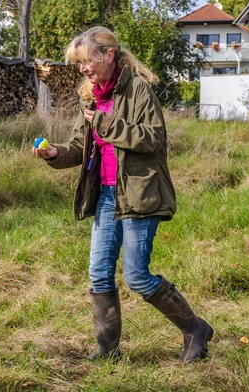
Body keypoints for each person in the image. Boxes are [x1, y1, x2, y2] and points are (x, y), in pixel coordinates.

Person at [32, 26, 213, 363]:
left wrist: (104, 123)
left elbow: (153, 138)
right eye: (79, 64)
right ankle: (107, 348)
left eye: (87, 61)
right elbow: (78, 147)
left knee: (137, 276)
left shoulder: (139, 90)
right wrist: (55, 153)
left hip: (139, 193)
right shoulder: (90, 95)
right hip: (104, 195)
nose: (83, 69)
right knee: (99, 273)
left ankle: (195, 329)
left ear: (108, 55)